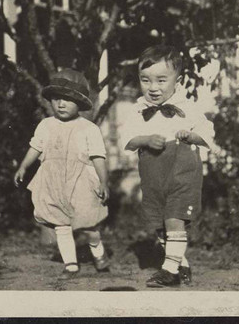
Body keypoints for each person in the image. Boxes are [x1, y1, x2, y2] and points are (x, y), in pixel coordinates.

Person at [121, 45, 215, 287]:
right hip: (153, 175)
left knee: (175, 218)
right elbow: (128, 140)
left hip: (182, 172)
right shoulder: (138, 110)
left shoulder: (188, 107)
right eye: (146, 80)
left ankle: (170, 271)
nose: (153, 88)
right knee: (161, 225)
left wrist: (191, 135)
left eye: (161, 80)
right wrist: (145, 139)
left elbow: (207, 133)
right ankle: (180, 263)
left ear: (178, 80)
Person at [14, 68, 110, 276]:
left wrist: (103, 181)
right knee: (60, 223)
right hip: (53, 180)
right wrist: (23, 166)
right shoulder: (46, 125)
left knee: (88, 222)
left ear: (80, 102)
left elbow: (98, 157)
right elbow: (36, 147)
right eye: (56, 99)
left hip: (80, 182)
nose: (61, 104)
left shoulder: (88, 128)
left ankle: (98, 250)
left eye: (67, 99)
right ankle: (70, 263)